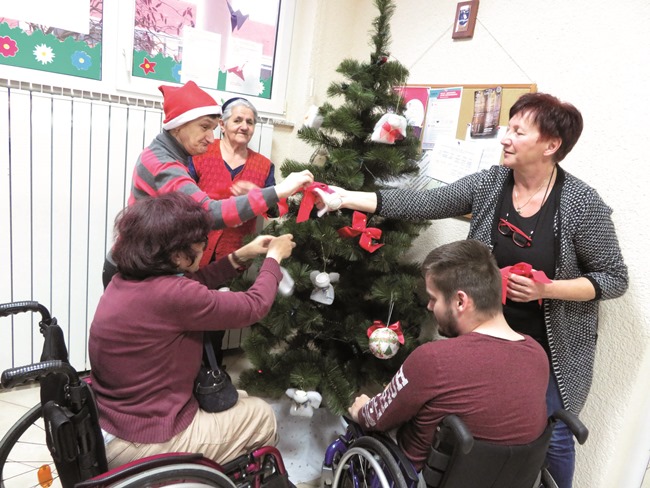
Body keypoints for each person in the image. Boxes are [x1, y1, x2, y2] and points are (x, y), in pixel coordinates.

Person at [328, 92, 629, 488]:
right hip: (485, 340)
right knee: (470, 437)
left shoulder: (580, 203)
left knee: (552, 437)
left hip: (549, 352)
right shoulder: (491, 184)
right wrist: (346, 198)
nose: (505, 137)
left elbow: (614, 277)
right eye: (507, 127)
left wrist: (548, 289)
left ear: (551, 145)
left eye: (518, 131)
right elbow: (424, 203)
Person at [89, 192, 296, 468]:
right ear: (176, 255)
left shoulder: (125, 279)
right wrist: (273, 259)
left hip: (115, 420)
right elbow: (254, 305)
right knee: (260, 415)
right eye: (200, 245)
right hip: (146, 438)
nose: (203, 249)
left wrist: (241, 255)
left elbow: (194, 282)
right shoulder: (173, 295)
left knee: (239, 399)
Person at [348, 239, 549, 473]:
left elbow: (376, 418)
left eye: (433, 298)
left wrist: (362, 409)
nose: (430, 307)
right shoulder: (537, 354)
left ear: (460, 301)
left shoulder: (434, 359)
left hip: (421, 475)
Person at [101, 80, 313, 288]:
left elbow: (272, 211)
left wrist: (244, 249)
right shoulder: (164, 165)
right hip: (136, 271)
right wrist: (279, 190)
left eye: (250, 122)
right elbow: (207, 213)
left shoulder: (259, 164)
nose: (210, 138)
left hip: (166, 266)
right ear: (178, 126)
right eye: (204, 127)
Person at [191, 97, 277, 266]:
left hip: (238, 253)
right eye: (237, 120)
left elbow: (275, 211)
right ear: (222, 125)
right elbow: (178, 199)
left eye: (250, 122)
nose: (244, 127)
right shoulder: (200, 153)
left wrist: (258, 195)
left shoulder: (265, 165)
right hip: (193, 247)